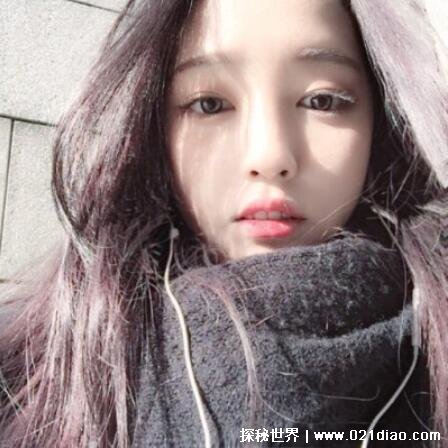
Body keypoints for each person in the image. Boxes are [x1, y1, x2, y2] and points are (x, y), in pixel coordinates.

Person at [0, 0, 446, 446]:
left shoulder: (433, 342)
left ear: (382, 119)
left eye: (322, 100)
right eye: (210, 104)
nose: (269, 156)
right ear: (153, 126)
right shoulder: (38, 371)